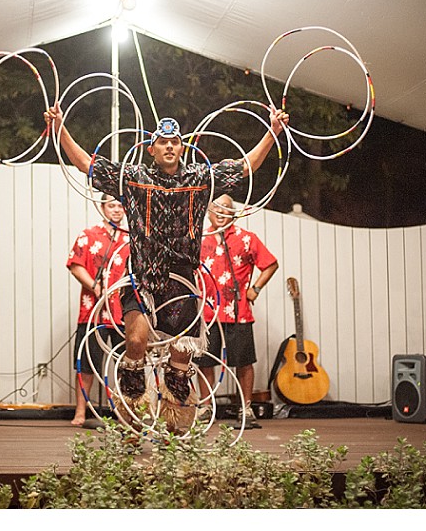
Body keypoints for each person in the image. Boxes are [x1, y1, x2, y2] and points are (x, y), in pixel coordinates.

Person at [44, 106, 289, 433]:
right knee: (135, 342)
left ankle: (175, 426)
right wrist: (60, 128)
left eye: (175, 141)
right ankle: (131, 419)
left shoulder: (199, 179)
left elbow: (245, 167)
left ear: (182, 147)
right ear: (152, 148)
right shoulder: (133, 179)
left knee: (180, 361)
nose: (170, 147)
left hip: (184, 283)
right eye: (163, 142)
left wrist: (273, 131)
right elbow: (88, 165)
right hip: (143, 279)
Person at [197, 195, 278, 430]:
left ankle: (245, 408)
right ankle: (206, 407)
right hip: (207, 312)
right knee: (204, 361)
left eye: (227, 209)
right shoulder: (199, 238)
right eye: (216, 209)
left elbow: (270, 264)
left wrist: (256, 289)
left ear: (234, 213)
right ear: (208, 212)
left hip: (238, 311)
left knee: (243, 362)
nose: (221, 213)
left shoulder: (246, 239)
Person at [66, 195, 130, 427]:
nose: (116, 210)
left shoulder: (129, 239)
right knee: (87, 363)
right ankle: (81, 412)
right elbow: (75, 265)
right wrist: (97, 287)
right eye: (111, 205)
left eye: (120, 206)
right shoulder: (88, 235)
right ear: (102, 207)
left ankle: (128, 413)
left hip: (123, 313)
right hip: (93, 311)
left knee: (128, 364)